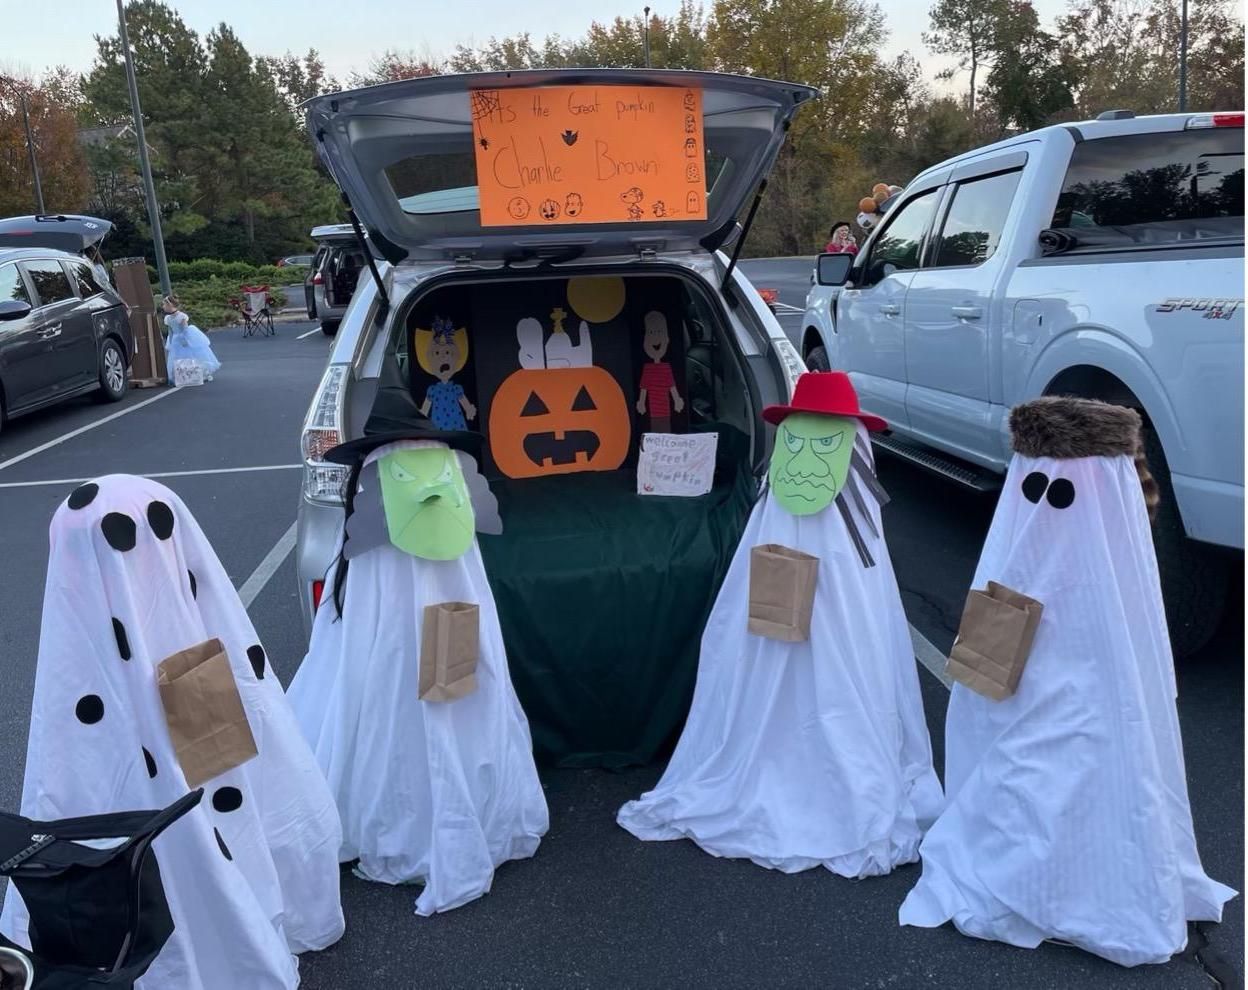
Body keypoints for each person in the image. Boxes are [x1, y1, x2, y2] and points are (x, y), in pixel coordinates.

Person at [899, 397, 1236, 966]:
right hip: (1016, 636)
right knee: (1022, 749)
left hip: (1084, 658)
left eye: (1066, 489)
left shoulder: (1116, 565)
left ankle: (1074, 878)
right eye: (1036, 487)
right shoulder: (1024, 538)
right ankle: (1028, 871)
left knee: (1086, 751)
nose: (1046, 500)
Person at [0, 474, 346, 989]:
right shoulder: (177, 638)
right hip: (189, 668)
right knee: (222, 794)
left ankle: (202, 921)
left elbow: (69, 774)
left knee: (209, 791)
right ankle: (234, 909)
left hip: (185, 673)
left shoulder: (78, 658)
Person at [618, 372, 942, 877]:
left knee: (808, 632)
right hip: (809, 549)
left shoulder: (803, 450)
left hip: (793, 546)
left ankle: (780, 758)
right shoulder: (849, 452)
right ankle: (831, 771)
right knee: (841, 632)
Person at [288, 425, 549, 916]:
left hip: (434, 566)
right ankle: (428, 809)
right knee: (398, 658)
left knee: (407, 661)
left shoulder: (406, 467)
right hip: (404, 566)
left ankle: (409, 811)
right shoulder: (409, 466)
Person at [162, 295, 221, 383]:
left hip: (185, 338)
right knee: (178, 358)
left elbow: (185, 329)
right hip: (175, 339)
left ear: (170, 305)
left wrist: (185, 339)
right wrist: (170, 341)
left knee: (192, 355)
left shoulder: (181, 316)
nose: (163, 307)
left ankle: (203, 373)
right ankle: (183, 375)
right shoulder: (168, 318)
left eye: (164, 305)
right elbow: (170, 331)